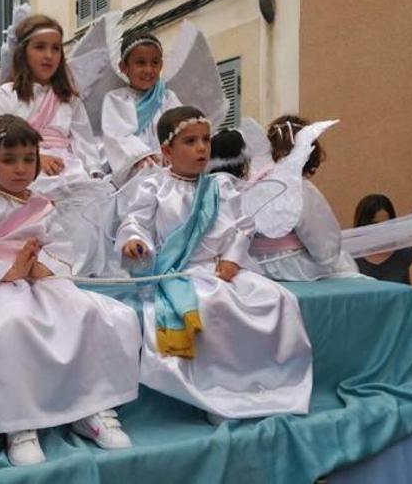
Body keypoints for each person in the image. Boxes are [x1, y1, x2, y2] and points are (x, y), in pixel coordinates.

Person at [0, 115, 140, 466]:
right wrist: (10, 270)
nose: (20, 169)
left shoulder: (42, 204)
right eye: (8, 160)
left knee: (89, 313)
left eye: (28, 159)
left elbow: (60, 247)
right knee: (13, 324)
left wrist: (42, 265)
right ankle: (20, 424)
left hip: (38, 279)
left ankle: (92, 409)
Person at [117, 106, 313, 424]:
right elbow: (134, 223)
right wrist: (135, 242)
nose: (201, 148)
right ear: (167, 150)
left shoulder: (220, 186)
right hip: (181, 270)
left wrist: (234, 258)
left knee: (276, 299)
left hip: (223, 267)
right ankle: (217, 394)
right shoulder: (154, 187)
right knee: (212, 304)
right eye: (190, 141)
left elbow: (242, 225)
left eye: (205, 140)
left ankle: (262, 387)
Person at [0, 14, 103, 198]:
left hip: (69, 168)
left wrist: (94, 172)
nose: (49, 56)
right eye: (40, 47)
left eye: (55, 49)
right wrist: (35, 160)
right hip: (24, 168)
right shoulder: (8, 94)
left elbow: (84, 142)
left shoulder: (69, 99)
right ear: (24, 52)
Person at [237, 115, 361, 281]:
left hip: (252, 266)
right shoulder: (300, 188)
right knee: (345, 268)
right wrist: (330, 256)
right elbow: (323, 246)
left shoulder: (253, 184)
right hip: (288, 266)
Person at [101, 32, 182, 187]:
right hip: (135, 166)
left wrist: (172, 151)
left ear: (161, 65)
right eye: (140, 63)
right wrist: (142, 156)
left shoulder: (167, 97)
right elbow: (117, 135)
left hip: (168, 165)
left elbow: (181, 128)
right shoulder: (116, 99)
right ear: (124, 67)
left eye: (155, 62)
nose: (148, 69)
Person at [353, 194, 412, 296]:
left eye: (386, 225)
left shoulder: (407, 255)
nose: (381, 230)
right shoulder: (351, 257)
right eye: (374, 225)